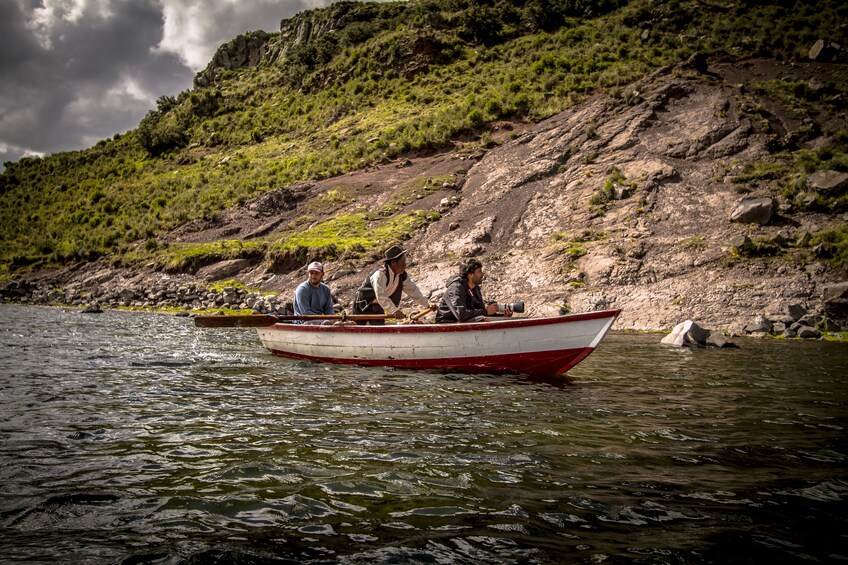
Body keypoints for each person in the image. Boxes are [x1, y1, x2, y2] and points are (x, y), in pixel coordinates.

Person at [353, 244, 435, 324]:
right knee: (357, 329)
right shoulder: (380, 274)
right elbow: (381, 295)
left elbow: (413, 291)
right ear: (393, 262)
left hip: (378, 306)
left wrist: (428, 304)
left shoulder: (402, 276)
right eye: (403, 262)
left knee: (379, 332)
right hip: (363, 304)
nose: (405, 264)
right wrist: (394, 310)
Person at [435, 258, 514, 323]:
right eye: (479, 271)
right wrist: (485, 312)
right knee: (481, 319)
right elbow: (461, 314)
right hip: (447, 324)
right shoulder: (456, 288)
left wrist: (502, 316)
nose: (482, 274)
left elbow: (480, 310)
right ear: (470, 275)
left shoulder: (475, 288)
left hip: (462, 322)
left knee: (482, 319)